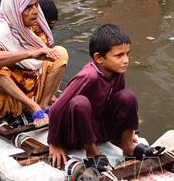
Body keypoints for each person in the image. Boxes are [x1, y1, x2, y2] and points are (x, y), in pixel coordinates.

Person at [47, 24, 164, 171]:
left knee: (128, 96)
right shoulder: (89, 76)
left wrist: (127, 133)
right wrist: (54, 143)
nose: (126, 60)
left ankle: (127, 146)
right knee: (80, 103)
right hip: (77, 133)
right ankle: (92, 152)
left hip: (98, 128)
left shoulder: (117, 72)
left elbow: (120, 104)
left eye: (127, 54)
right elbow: (57, 107)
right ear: (99, 58)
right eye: (119, 55)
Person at [0, 0, 67, 126]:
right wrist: (29, 54)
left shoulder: (34, 27)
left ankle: (43, 105)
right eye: (28, 7)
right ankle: (33, 108)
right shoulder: (2, 28)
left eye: (36, 5)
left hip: (34, 87)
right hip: (12, 98)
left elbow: (45, 58)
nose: (35, 11)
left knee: (60, 53)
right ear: (15, 10)